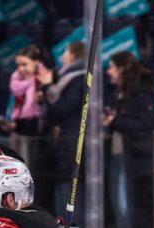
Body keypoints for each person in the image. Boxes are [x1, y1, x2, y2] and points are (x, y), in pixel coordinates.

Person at [104, 51, 154, 228]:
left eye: (112, 67)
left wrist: (116, 121)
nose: (108, 72)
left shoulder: (141, 92)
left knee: (130, 207)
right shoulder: (118, 93)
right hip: (118, 155)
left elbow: (146, 125)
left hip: (135, 157)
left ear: (122, 69)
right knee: (119, 207)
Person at [44, 41, 87, 219]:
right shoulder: (64, 78)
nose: (62, 57)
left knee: (70, 192)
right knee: (63, 190)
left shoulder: (78, 79)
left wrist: (47, 87)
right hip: (65, 142)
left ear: (72, 56)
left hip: (72, 142)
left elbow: (62, 109)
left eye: (65, 53)